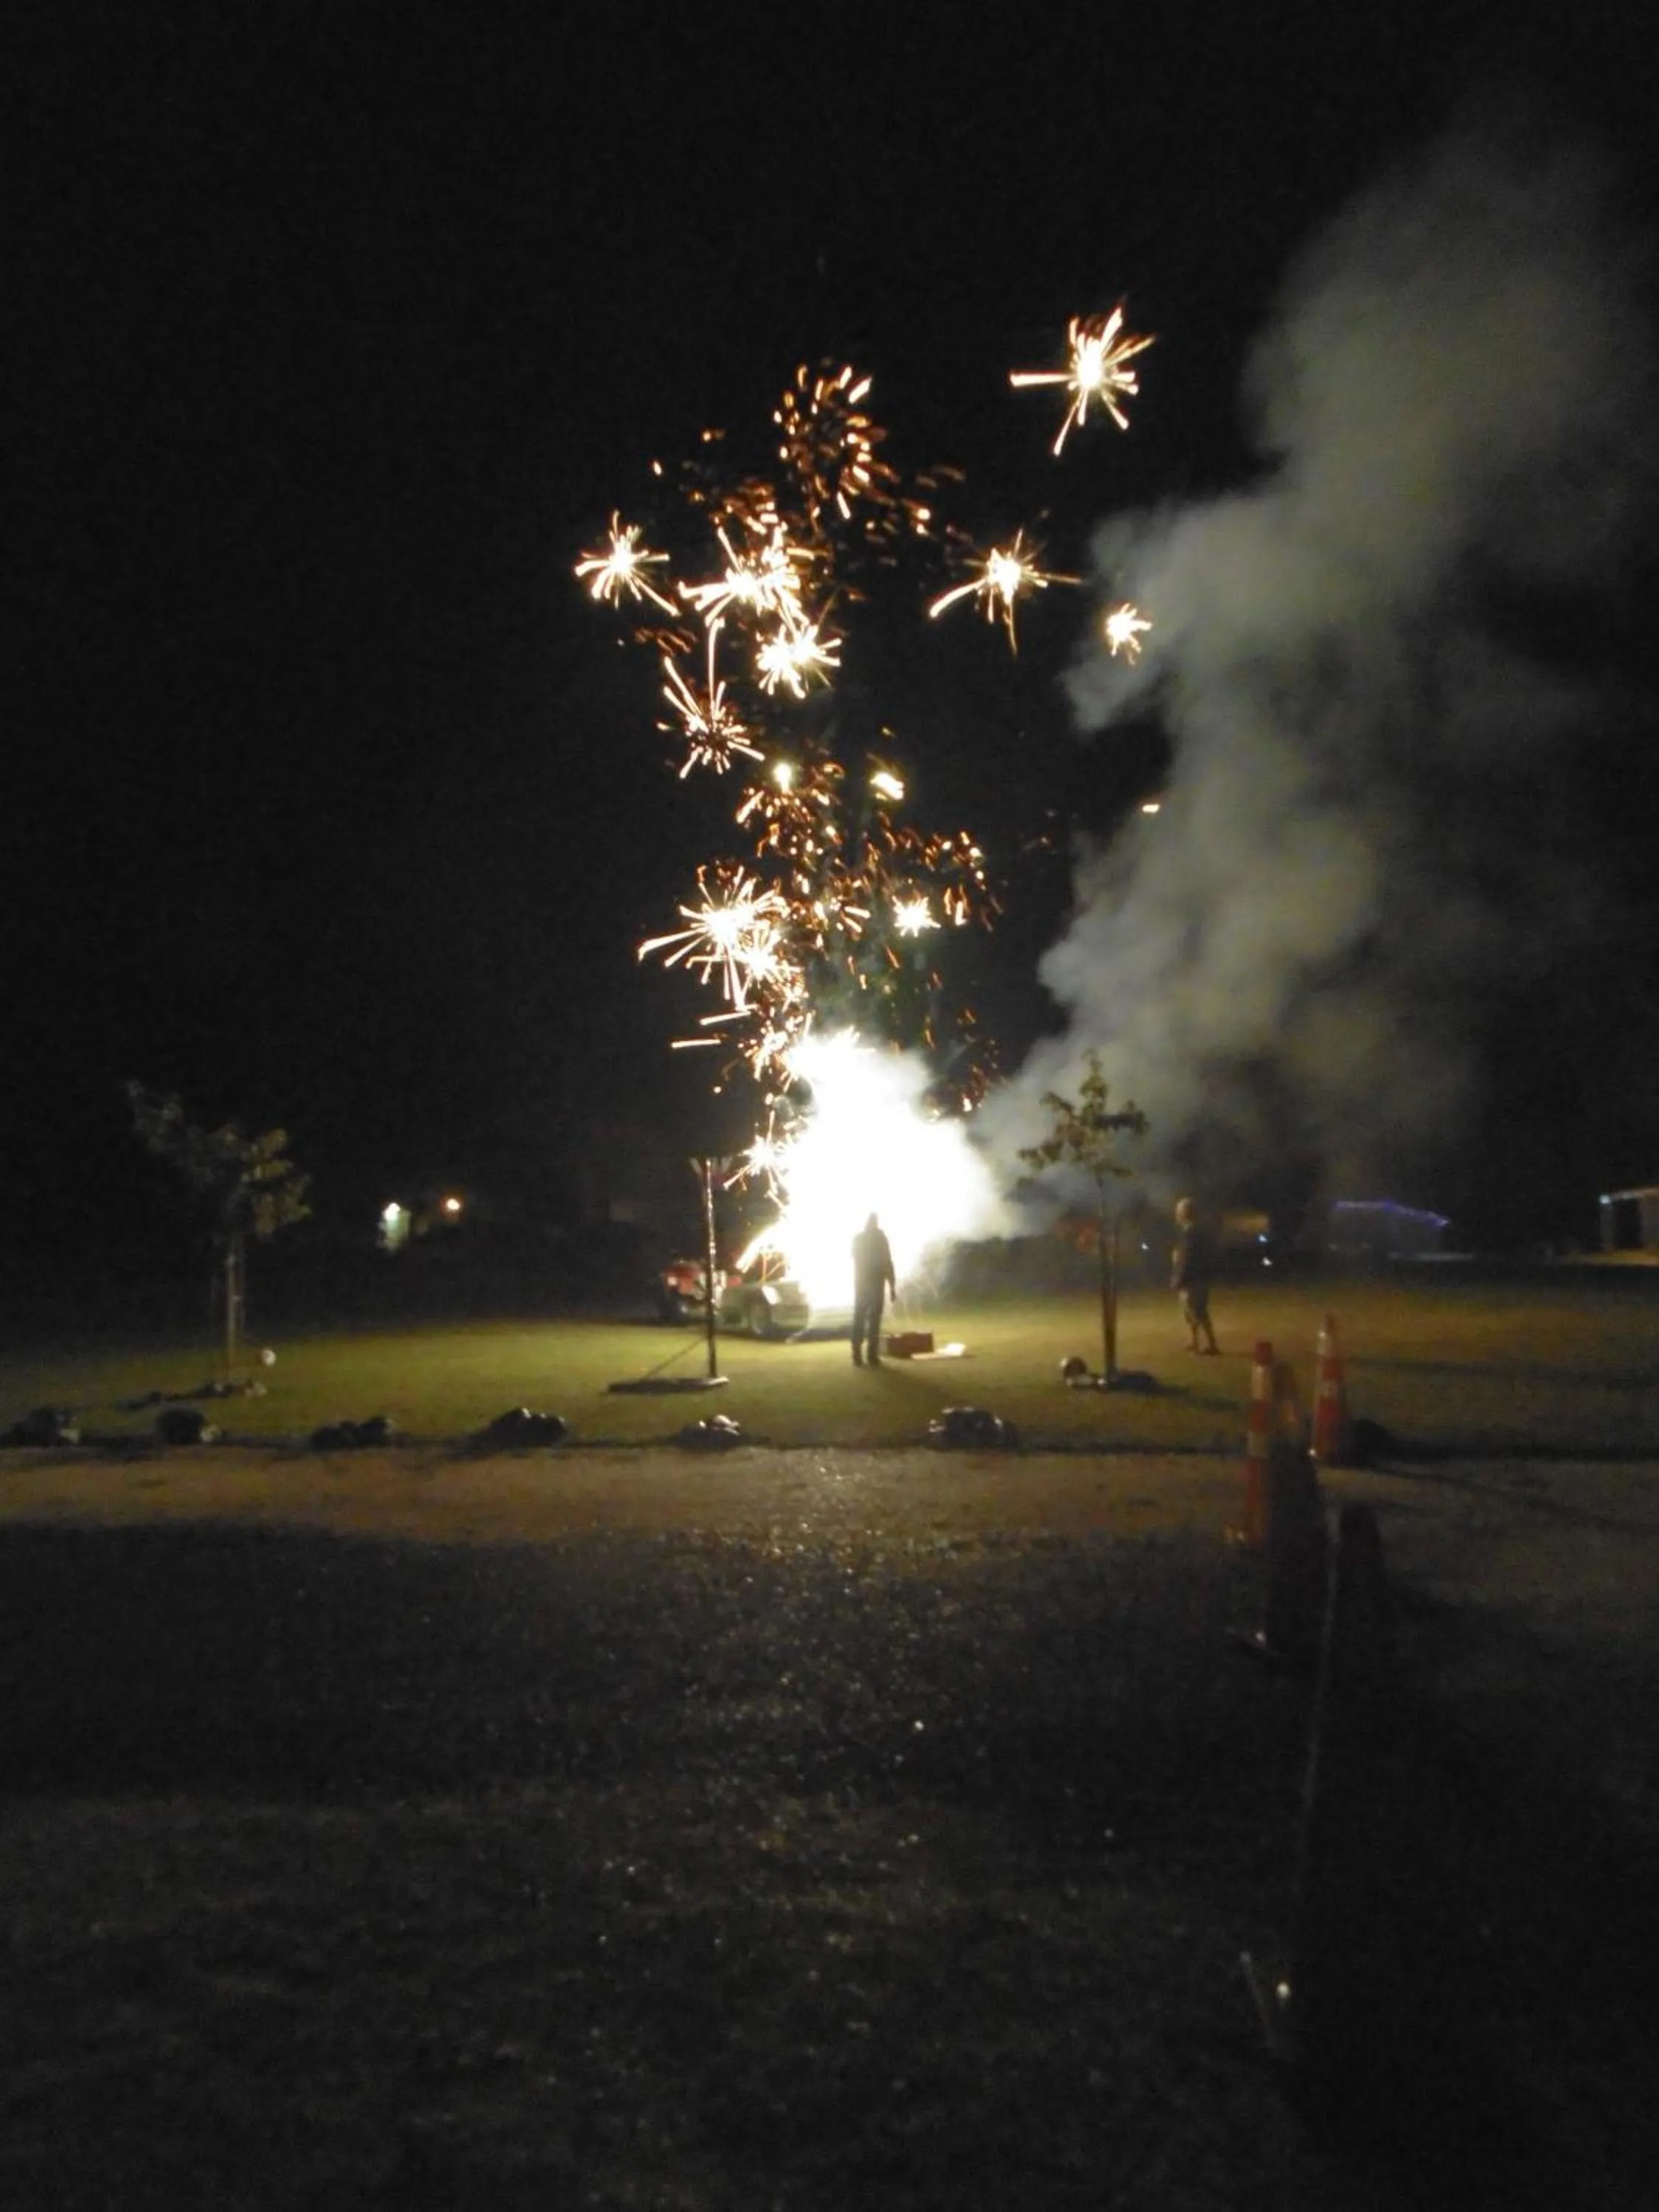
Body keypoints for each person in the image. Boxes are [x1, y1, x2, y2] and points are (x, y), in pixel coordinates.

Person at [1172, 1196, 1220, 1354]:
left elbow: (1189, 1259)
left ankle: (1212, 1345)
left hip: (1194, 1279)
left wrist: (1179, 1278)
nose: (1176, 1215)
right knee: (1190, 1312)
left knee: (1198, 1311)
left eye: (1179, 1211)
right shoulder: (1190, 1232)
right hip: (1195, 1278)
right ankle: (1194, 1341)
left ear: (1185, 1213)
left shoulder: (1192, 1233)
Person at [850, 1211, 897, 1366]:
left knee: (859, 1319)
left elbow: (855, 1257)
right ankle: (871, 1356)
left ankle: (857, 1354)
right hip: (875, 1285)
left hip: (861, 1284)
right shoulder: (880, 1240)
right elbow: (888, 1263)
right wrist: (892, 1286)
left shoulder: (858, 1239)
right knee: (873, 1321)